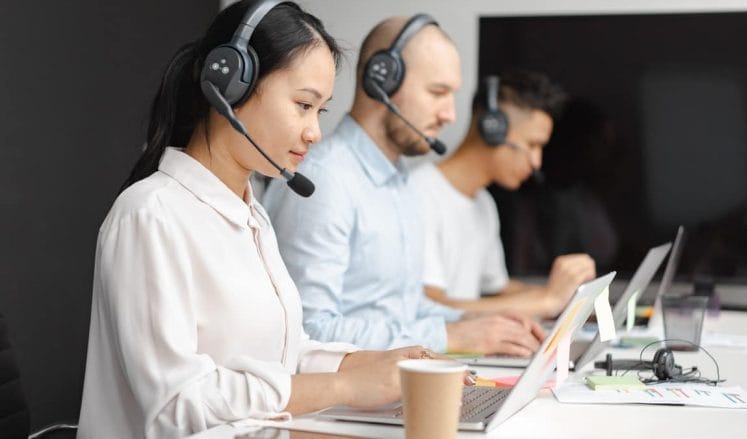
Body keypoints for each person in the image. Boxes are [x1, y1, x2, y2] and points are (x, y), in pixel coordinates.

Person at [77, 2, 437, 438]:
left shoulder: (251, 215)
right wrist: (342, 385)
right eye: (303, 105)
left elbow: (278, 354)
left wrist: (361, 362)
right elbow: (177, 405)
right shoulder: (150, 216)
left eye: (319, 111)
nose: (314, 132)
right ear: (229, 85)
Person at [263, 15, 545, 357]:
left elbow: (405, 309)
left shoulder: (402, 183)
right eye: (437, 92)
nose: (450, 115)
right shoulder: (326, 181)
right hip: (336, 403)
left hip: (394, 387)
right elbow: (308, 330)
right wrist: (451, 337)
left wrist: (478, 322)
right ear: (383, 78)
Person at [410, 72, 597, 319]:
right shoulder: (419, 192)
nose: (536, 162)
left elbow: (497, 290)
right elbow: (430, 307)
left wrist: (566, 296)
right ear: (492, 127)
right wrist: (546, 301)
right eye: (532, 144)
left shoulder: (484, 204)